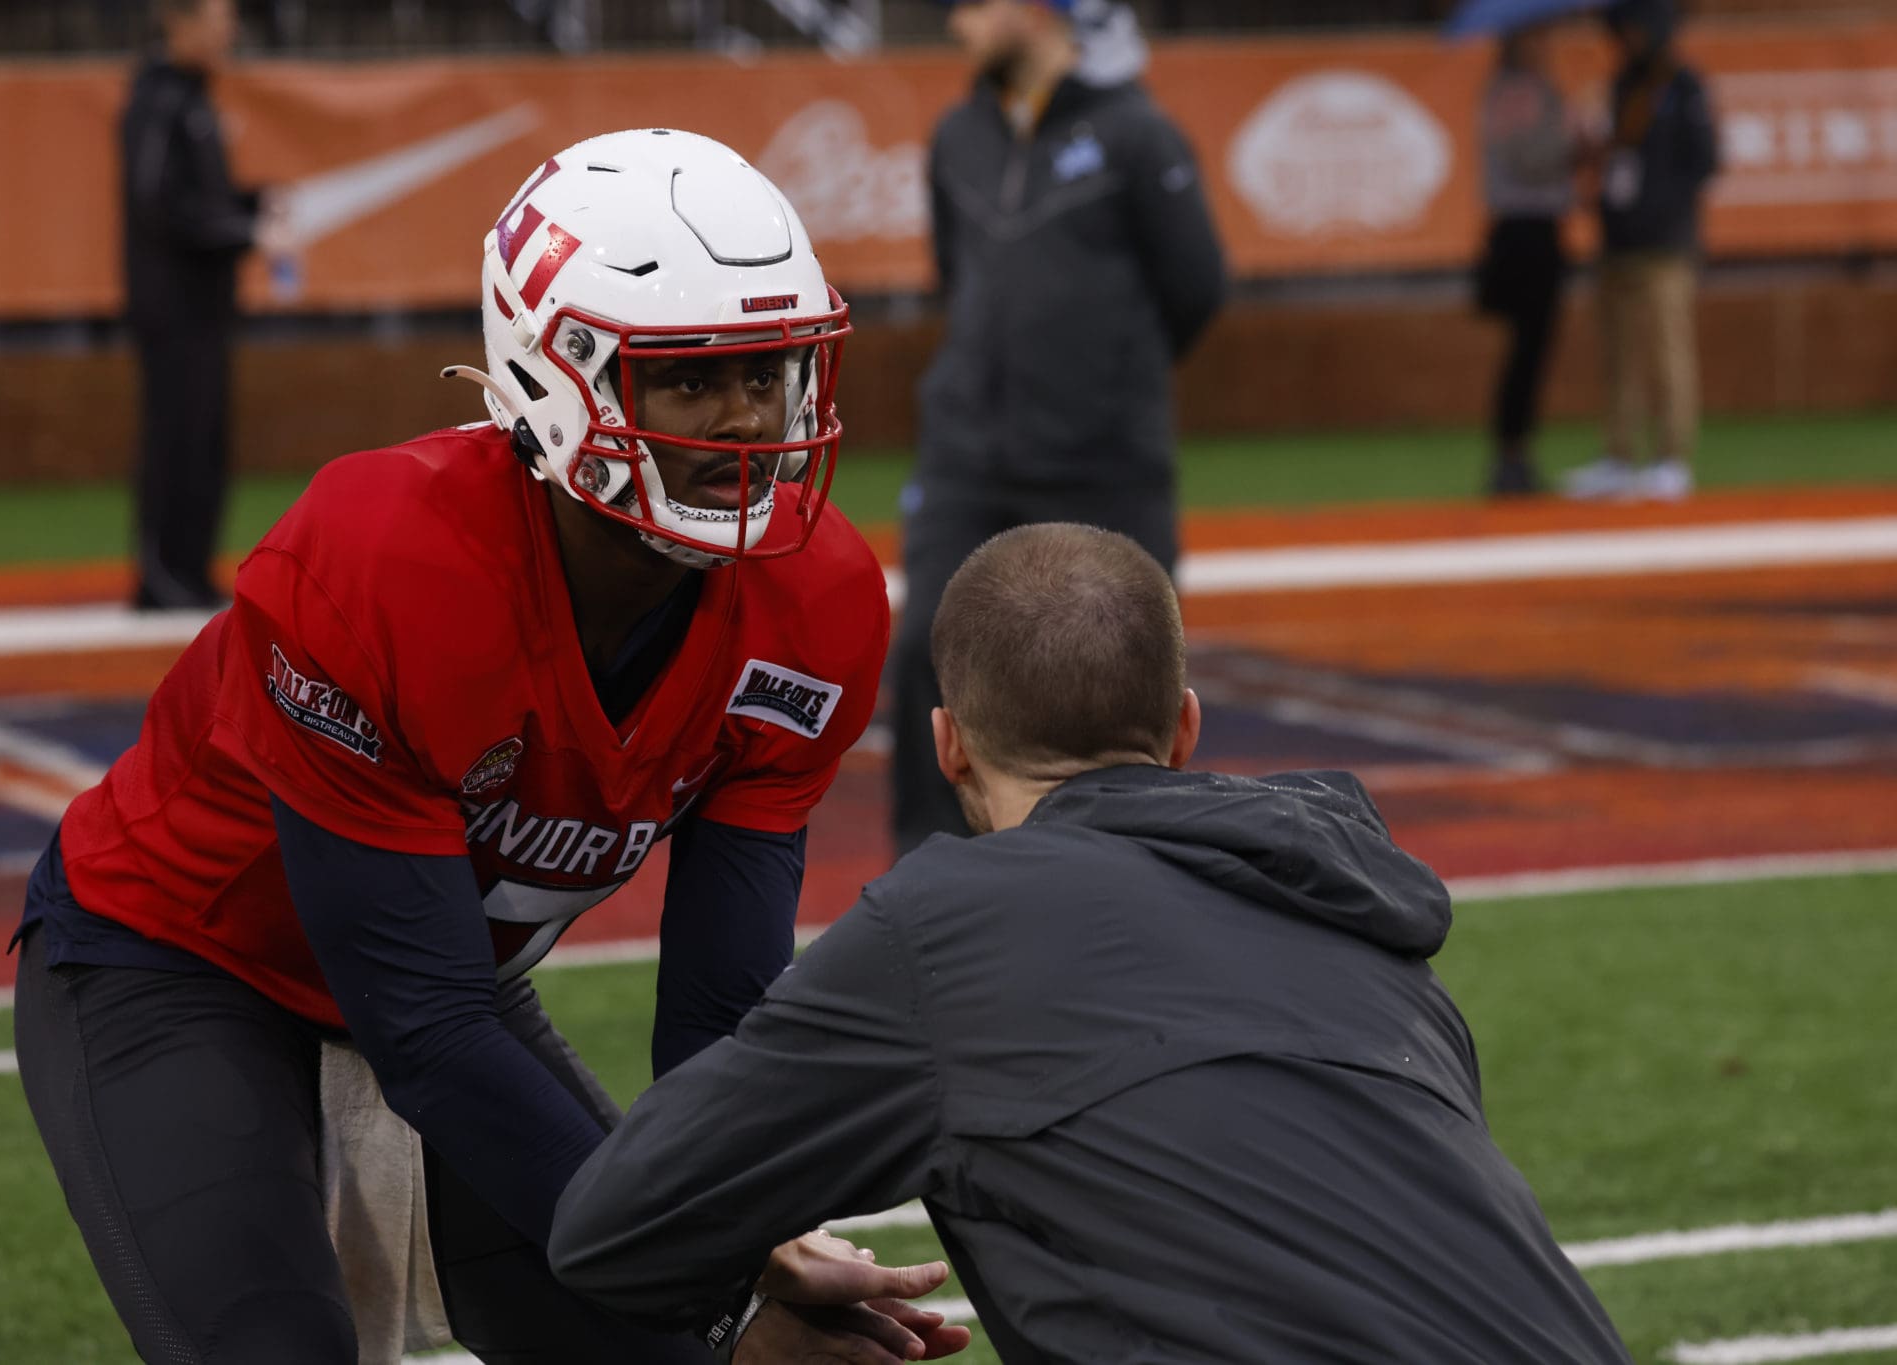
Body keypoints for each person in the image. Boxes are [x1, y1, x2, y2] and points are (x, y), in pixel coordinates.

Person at [12, 128, 942, 1364]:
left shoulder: (815, 602)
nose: (745, 421)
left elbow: (718, 1014)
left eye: (769, 372)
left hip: (449, 980)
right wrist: (713, 1280)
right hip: (180, 957)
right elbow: (430, 1032)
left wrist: (731, 1240)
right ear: (555, 377)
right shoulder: (385, 559)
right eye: (691, 379)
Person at [550, 522, 1637, 1364]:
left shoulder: (943, 933)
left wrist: (758, 1282)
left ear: (947, 748)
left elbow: (610, 1229)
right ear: (1182, 730)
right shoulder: (1363, 926)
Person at [889, 0, 1226, 857]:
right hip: (968, 456)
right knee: (928, 656)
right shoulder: (957, 135)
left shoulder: (1139, 133)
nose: (956, 20)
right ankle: (932, 894)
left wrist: (1100, 385)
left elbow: (1197, 288)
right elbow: (955, 276)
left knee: (1124, 685)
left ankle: (1135, 882)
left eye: (974, 4)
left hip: (1105, 465)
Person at [122, 0, 290, 609]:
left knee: (206, 444)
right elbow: (158, 204)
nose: (231, 30)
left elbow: (203, 198)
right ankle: (162, 576)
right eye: (219, 19)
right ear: (180, 22)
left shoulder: (195, 101)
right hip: (171, 310)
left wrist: (253, 206)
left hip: (206, 307)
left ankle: (190, 572)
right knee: (175, 441)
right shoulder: (158, 102)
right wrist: (244, 232)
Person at [1563, 0, 1718, 502]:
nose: (1625, 37)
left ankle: (1673, 459)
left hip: (1666, 244)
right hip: (1618, 241)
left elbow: (1706, 161)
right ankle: (1620, 455)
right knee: (1619, 356)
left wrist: (1660, 204)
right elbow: (1610, 158)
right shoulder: (1617, 86)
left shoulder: (1683, 86)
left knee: (1668, 353)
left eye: (1632, 28)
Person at [1474, 21, 1581, 497]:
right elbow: (1531, 159)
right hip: (1527, 231)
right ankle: (1511, 457)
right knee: (1527, 350)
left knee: (1529, 351)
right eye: (1536, 36)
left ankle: (1514, 454)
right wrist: (1577, 142)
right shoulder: (1521, 92)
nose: (1544, 45)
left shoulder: (1507, 90)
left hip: (1522, 231)